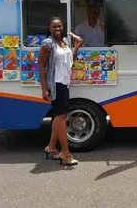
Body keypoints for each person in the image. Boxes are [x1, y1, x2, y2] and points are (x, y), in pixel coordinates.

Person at [39, 16, 83, 166]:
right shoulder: (48, 44)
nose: (57, 29)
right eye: (54, 27)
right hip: (55, 83)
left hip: (64, 82)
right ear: (49, 28)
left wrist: (77, 45)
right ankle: (65, 152)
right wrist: (44, 88)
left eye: (59, 26)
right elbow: (41, 66)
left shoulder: (63, 42)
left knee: (60, 116)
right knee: (60, 117)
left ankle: (51, 147)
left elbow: (70, 60)